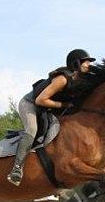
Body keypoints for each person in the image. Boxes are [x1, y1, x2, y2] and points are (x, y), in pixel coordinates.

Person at [7, 49, 96, 186]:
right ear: (76, 63)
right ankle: (17, 168)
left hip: (48, 108)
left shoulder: (80, 80)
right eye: (86, 62)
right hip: (30, 104)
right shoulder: (62, 78)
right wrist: (64, 104)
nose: (89, 64)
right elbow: (40, 100)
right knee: (32, 129)